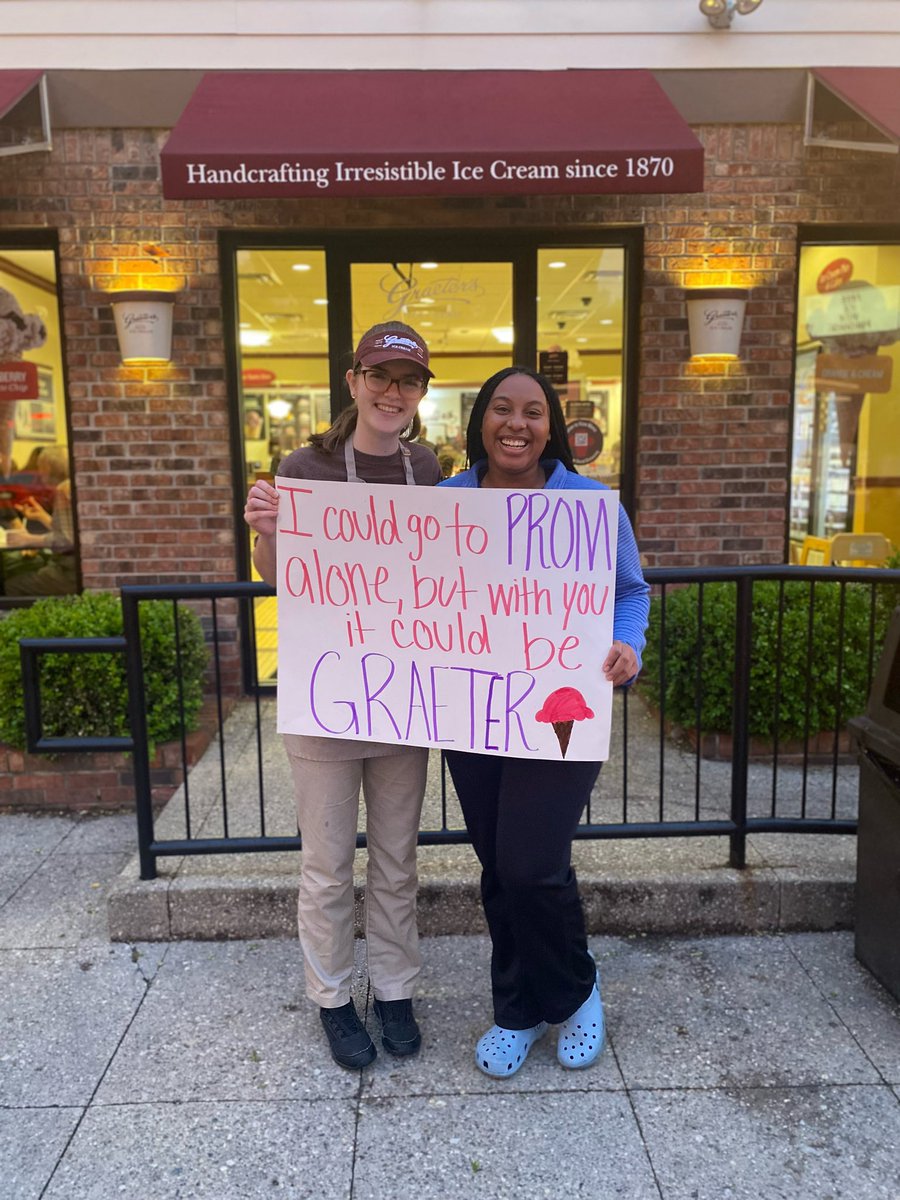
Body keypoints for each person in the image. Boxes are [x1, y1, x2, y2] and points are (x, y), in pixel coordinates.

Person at [439, 366, 650, 1078]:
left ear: (551, 426)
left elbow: (630, 591)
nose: (516, 424)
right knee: (499, 867)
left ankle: (574, 991)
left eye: (532, 412)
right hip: (472, 712)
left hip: (561, 709)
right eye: (502, 409)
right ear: (481, 421)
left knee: (532, 863)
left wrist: (629, 647)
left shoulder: (589, 505)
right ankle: (517, 1010)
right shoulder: (445, 503)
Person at [243, 322, 441, 1070]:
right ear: (353, 381)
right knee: (327, 864)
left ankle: (393, 988)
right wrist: (265, 530)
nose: (393, 392)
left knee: (396, 859)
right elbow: (274, 574)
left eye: (408, 381)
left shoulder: (428, 467)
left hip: (401, 697)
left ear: (422, 394)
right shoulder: (308, 464)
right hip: (326, 693)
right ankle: (331, 998)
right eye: (380, 377)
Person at [4, 445, 76, 596]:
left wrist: (30, 539)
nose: (38, 473)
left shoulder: (64, 490)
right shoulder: (72, 485)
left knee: (10, 585)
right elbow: (72, 532)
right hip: (75, 569)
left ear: (47, 468)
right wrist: (42, 516)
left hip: (69, 573)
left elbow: (67, 541)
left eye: (40, 467)